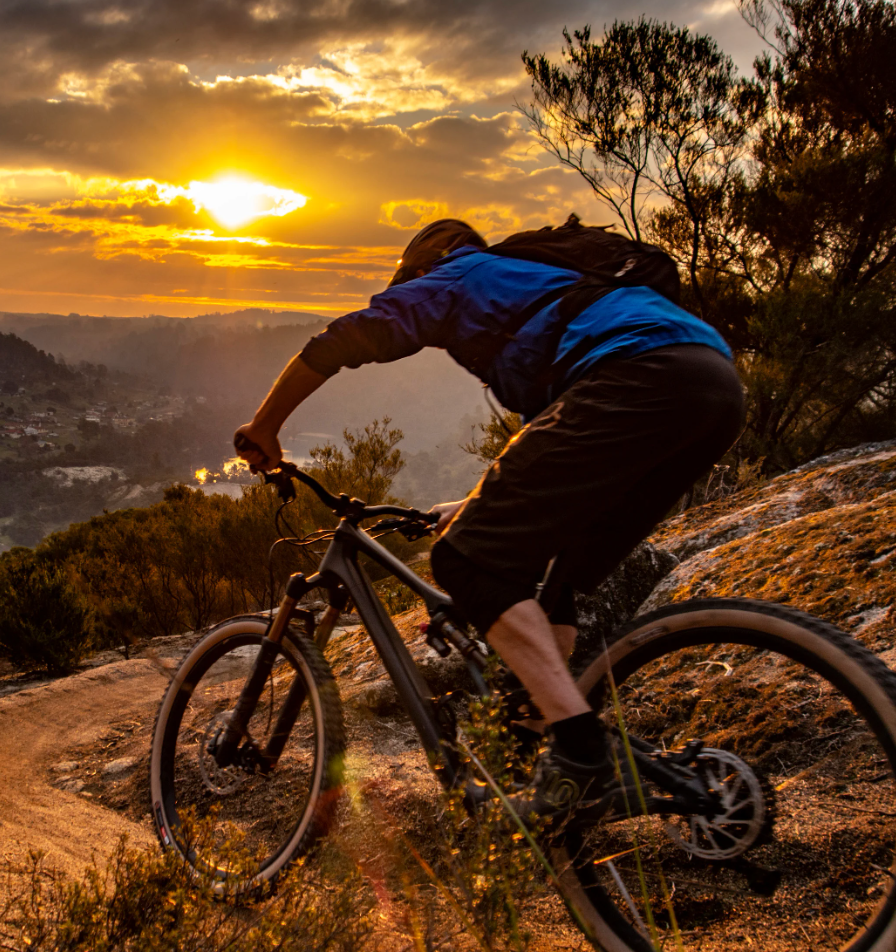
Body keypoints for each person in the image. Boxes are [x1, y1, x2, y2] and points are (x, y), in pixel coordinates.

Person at [233, 218, 744, 818]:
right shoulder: (534, 280)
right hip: (712, 386)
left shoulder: (455, 275)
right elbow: (558, 436)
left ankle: (581, 754)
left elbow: (342, 341)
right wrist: (476, 501)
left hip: (637, 375)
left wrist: (265, 425)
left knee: (461, 558)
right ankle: (546, 738)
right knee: (556, 573)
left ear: (422, 267)